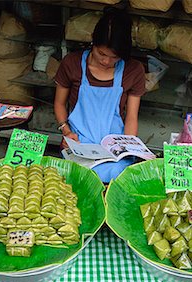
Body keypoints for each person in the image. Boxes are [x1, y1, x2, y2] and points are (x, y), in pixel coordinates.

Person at [53, 7, 145, 183]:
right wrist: (66, 132)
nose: (106, 61)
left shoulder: (134, 70)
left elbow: (132, 116)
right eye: (101, 53)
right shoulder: (72, 63)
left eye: (114, 57)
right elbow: (59, 104)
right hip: (79, 141)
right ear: (92, 42)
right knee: (79, 181)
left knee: (119, 176)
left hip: (114, 145)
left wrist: (129, 147)